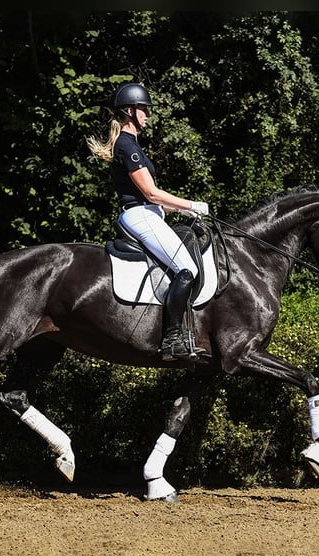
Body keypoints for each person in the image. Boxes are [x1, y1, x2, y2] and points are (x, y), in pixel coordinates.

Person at [87, 82, 209, 361]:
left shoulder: (132, 145)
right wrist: (192, 205)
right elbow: (151, 193)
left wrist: (183, 211)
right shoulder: (126, 146)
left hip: (149, 213)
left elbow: (155, 198)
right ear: (129, 111)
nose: (147, 115)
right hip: (140, 214)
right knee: (187, 270)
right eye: (143, 109)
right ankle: (172, 340)